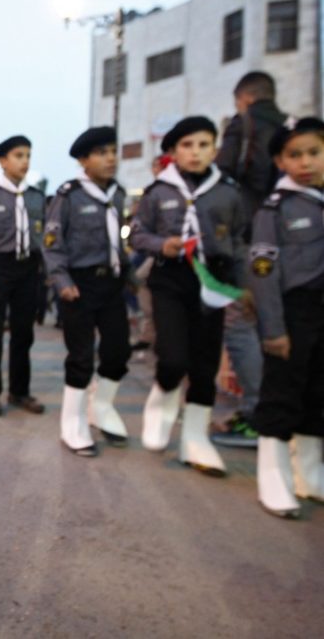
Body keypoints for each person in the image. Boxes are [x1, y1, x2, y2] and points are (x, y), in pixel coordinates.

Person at [130, 117, 248, 477]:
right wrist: (161, 245)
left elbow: (241, 241)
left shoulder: (228, 191)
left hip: (212, 280)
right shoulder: (158, 192)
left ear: (214, 149)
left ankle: (196, 439)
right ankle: (161, 401)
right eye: (186, 145)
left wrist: (243, 287)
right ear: (173, 152)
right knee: (173, 355)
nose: (195, 152)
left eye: (202, 145)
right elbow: (137, 234)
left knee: (205, 363)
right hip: (170, 278)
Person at [248, 117, 324, 518]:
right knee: (283, 392)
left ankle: (309, 474)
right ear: (280, 161)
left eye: (314, 152)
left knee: (317, 394)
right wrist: (273, 328)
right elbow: (263, 271)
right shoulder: (274, 209)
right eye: (295, 155)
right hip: (294, 311)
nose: (306, 162)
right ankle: (273, 477)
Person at [210, 72, 288, 449]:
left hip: (246, 237)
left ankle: (257, 413)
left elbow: (222, 173)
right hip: (286, 239)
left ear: (243, 98)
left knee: (240, 321)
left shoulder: (242, 125)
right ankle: (275, 410)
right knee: (273, 323)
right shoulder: (289, 128)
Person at [43, 127, 131, 456]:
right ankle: (73, 424)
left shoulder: (117, 194)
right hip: (78, 285)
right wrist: (61, 282)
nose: (111, 158)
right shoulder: (69, 195)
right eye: (101, 153)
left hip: (111, 282)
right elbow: (52, 243)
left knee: (118, 351)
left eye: (113, 151)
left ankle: (102, 407)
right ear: (84, 160)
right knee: (80, 356)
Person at [0, 136, 46, 416]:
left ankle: (19, 391)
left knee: (23, 332)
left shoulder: (36, 196)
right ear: (2, 161)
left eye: (27, 155)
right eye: (18, 155)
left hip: (28, 267)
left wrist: (47, 273)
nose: (24, 161)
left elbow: (43, 239)